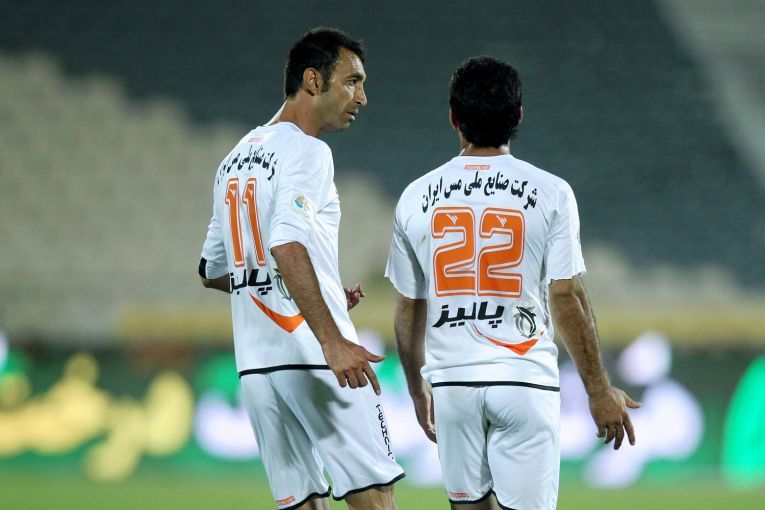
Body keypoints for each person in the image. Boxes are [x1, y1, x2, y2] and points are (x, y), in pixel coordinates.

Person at [385, 56, 640, 510]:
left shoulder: (415, 197)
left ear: (453, 117)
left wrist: (416, 388)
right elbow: (566, 296)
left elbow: (409, 306)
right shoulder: (551, 192)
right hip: (524, 381)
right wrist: (598, 389)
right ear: (518, 115)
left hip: (453, 384)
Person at [199, 28, 403, 510]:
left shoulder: (234, 160)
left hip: (257, 367)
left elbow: (211, 268)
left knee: (304, 502)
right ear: (313, 80)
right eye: (352, 82)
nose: (362, 98)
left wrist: (318, 289)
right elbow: (286, 243)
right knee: (375, 497)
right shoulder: (308, 151)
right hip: (313, 356)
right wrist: (332, 340)